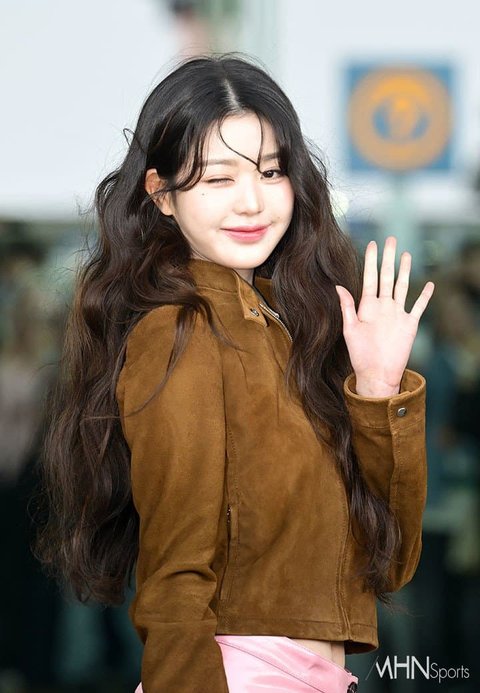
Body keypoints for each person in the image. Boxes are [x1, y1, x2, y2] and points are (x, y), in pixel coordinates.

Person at [33, 52, 435, 692]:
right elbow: (175, 576)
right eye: (218, 178)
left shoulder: (289, 333)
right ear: (161, 194)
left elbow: (390, 562)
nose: (252, 202)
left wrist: (378, 390)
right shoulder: (182, 332)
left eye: (271, 172)